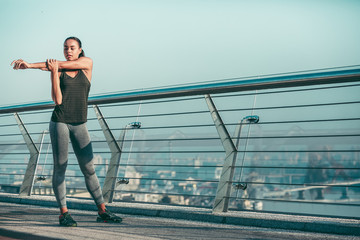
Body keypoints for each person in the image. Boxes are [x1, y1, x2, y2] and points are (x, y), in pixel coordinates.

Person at [11, 37, 122, 227]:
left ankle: (103, 210)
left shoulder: (87, 64)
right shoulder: (58, 70)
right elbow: (58, 101)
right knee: (60, 166)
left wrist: (34, 66)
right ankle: (64, 213)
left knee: (89, 168)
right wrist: (52, 72)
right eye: (65, 48)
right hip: (60, 121)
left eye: (72, 48)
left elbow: (56, 64)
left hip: (80, 123)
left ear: (80, 50)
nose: (68, 51)